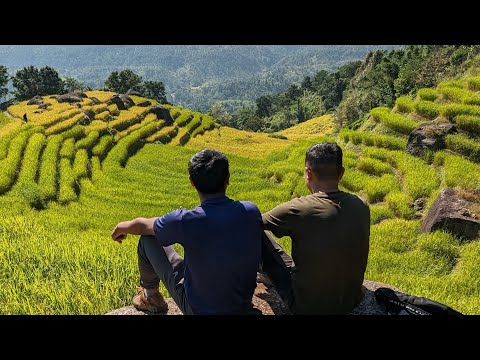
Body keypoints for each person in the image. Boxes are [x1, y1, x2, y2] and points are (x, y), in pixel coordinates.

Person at [111, 148, 263, 315]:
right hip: (241, 306)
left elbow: (142, 225)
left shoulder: (185, 220)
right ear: (227, 178)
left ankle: (150, 296)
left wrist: (122, 226)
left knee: (148, 239)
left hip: (197, 309)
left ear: (191, 181)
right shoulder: (250, 211)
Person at [260, 142, 370, 314]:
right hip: (351, 301)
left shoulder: (298, 208)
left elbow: (255, 223)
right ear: (341, 173)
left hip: (306, 307)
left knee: (259, 237)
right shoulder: (361, 205)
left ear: (308, 173)